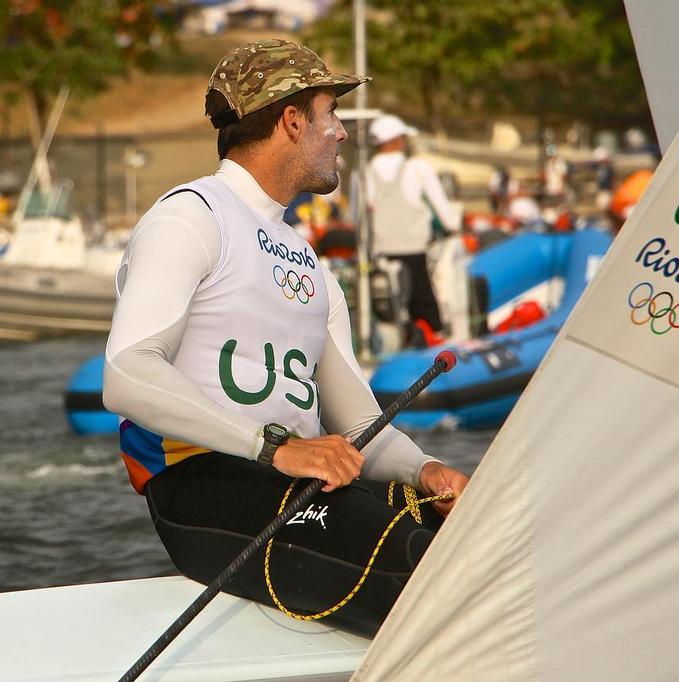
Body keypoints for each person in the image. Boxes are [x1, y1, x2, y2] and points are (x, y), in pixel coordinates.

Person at [102, 39, 469, 637]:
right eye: (331, 114)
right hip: (202, 484)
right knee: (430, 570)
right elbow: (127, 373)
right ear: (292, 121)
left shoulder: (311, 264)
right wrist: (274, 447)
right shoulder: (191, 216)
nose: (343, 133)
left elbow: (357, 431)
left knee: (487, 542)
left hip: (293, 480)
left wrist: (426, 470)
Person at [366, 114, 461, 345]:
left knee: (389, 303)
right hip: (414, 250)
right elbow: (441, 204)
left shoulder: (366, 171)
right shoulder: (416, 167)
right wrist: (452, 227)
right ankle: (435, 339)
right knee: (424, 301)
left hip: (381, 252)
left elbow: (361, 213)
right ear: (397, 139)